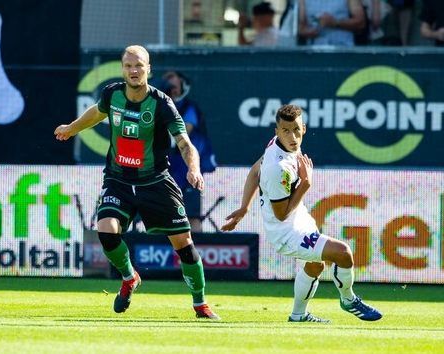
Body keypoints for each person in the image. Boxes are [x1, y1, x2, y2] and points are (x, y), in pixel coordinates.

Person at [54, 45, 220, 320]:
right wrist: (72, 128)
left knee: (184, 244)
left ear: (148, 69)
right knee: (106, 230)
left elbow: (184, 142)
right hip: (118, 179)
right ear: (122, 68)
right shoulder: (112, 94)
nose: (133, 70)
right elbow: (96, 113)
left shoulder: (161, 103)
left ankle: (200, 304)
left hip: (154, 181)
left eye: (139, 66)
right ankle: (130, 277)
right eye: (129, 65)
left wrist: (194, 168)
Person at [221, 104, 382, 323]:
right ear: (276, 131)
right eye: (286, 131)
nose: (293, 136)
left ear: (304, 128)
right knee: (343, 253)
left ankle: (298, 315)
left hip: (299, 219)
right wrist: (305, 184)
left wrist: (244, 208)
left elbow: (254, 172)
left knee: (316, 265)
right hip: (285, 233)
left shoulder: (276, 146)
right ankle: (348, 299)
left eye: (296, 129)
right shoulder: (279, 168)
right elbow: (281, 215)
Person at [162, 70, 216, 233]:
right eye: (169, 86)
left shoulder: (188, 107)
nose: (173, 89)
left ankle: (196, 251)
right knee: (163, 212)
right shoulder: (159, 106)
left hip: (187, 165)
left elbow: (184, 133)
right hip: (167, 165)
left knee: (191, 214)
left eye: (175, 85)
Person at [298, 0, 366, 46]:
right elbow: (300, 27)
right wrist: (305, 32)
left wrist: (335, 23)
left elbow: (360, 22)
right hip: (313, 52)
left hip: (343, 50)